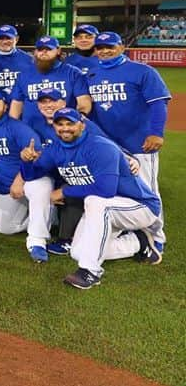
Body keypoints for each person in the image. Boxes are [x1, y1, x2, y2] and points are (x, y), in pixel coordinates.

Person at [20, 108, 162, 290]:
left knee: (94, 201)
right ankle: (138, 242)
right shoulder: (55, 148)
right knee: (78, 252)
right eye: (60, 124)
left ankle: (90, 272)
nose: (65, 128)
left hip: (139, 206)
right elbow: (32, 175)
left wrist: (64, 192)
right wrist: (26, 161)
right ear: (54, 126)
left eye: (70, 123)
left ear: (82, 124)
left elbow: (106, 190)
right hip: (106, 209)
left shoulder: (100, 147)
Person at [86, 30, 171, 248]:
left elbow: (158, 104)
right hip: (110, 146)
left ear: (122, 47)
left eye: (110, 47)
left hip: (139, 143)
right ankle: (128, 229)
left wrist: (156, 133)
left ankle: (156, 236)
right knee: (118, 189)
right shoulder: (92, 75)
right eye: (100, 47)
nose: (104, 51)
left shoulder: (142, 71)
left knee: (148, 191)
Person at [0, 89, 55, 262]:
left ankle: (37, 241)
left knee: (40, 187)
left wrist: (20, 178)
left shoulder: (18, 128)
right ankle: (49, 214)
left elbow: (37, 156)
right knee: (5, 228)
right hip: (6, 188)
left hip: (29, 179)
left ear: (5, 106)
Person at [8, 36, 91, 121]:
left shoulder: (73, 73)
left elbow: (83, 101)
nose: (44, 52)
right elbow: (16, 105)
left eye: (48, 49)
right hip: (31, 129)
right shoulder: (24, 74)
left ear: (58, 51)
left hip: (63, 128)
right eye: (40, 49)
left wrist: (80, 117)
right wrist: (12, 127)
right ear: (35, 52)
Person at [0, 25, 33, 97]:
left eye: (8, 38)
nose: (4, 42)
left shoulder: (28, 59)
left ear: (16, 39)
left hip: (20, 103)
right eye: (0, 38)